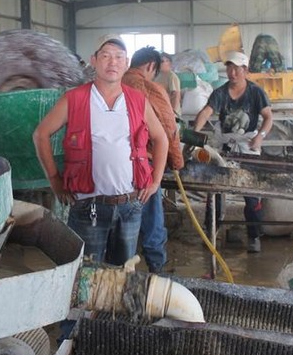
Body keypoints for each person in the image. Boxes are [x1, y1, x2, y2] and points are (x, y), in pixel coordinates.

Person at [33, 38, 169, 266]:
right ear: (94, 61)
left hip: (130, 204)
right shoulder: (74, 99)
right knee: (85, 271)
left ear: (126, 63)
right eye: (105, 56)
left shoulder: (137, 100)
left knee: (122, 272)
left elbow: (161, 138)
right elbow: (40, 134)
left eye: (118, 57)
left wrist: (155, 181)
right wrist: (54, 179)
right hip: (88, 205)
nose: (112, 62)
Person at [193, 51, 273, 253]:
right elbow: (206, 112)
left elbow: (268, 117)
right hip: (225, 146)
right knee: (216, 189)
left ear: (245, 70)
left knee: (251, 192)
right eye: (229, 68)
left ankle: (254, 235)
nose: (232, 72)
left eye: (237, 68)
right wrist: (194, 134)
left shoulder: (255, 92)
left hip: (248, 146)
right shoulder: (220, 93)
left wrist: (260, 136)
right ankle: (211, 231)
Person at [122, 47, 185, 273]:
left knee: (120, 220)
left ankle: (120, 269)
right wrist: (176, 162)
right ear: (150, 66)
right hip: (143, 164)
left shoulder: (111, 84)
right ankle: (156, 268)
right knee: (151, 218)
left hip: (114, 166)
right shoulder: (149, 89)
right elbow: (168, 128)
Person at [154, 52, 182, 118]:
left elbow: (175, 95)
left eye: (162, 61)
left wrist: (173, 113)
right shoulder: (156, 76)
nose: (159, 63)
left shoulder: (172, 76)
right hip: (160, 110)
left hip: (170, 113)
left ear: (169, 63)